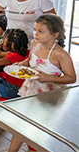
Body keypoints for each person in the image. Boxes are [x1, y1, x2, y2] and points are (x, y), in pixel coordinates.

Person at [9, 15, 76, 152]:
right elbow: (29, 60)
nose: (36, 34)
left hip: (48, 94)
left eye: (41, 31)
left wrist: (48, 78)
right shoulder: (34, 44)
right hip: (31, 89)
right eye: (35, 30)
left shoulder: (60, 55)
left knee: (40, 130)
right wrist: (22, 64)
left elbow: (71, 78)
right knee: (21, 124)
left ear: (55, 34)